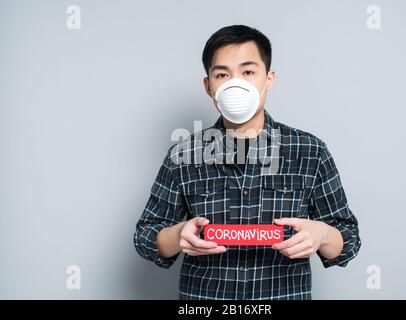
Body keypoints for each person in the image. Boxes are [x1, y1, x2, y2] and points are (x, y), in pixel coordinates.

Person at [134, 25, 361, 300]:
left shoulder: (310, 151)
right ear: (208, 86)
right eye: (222, 74)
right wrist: (178, 234)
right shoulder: (182, 155)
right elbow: (146, 236)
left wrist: (322, 234)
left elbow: (348, 239)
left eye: (248, 72)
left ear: (269, 78)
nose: (235, 84)